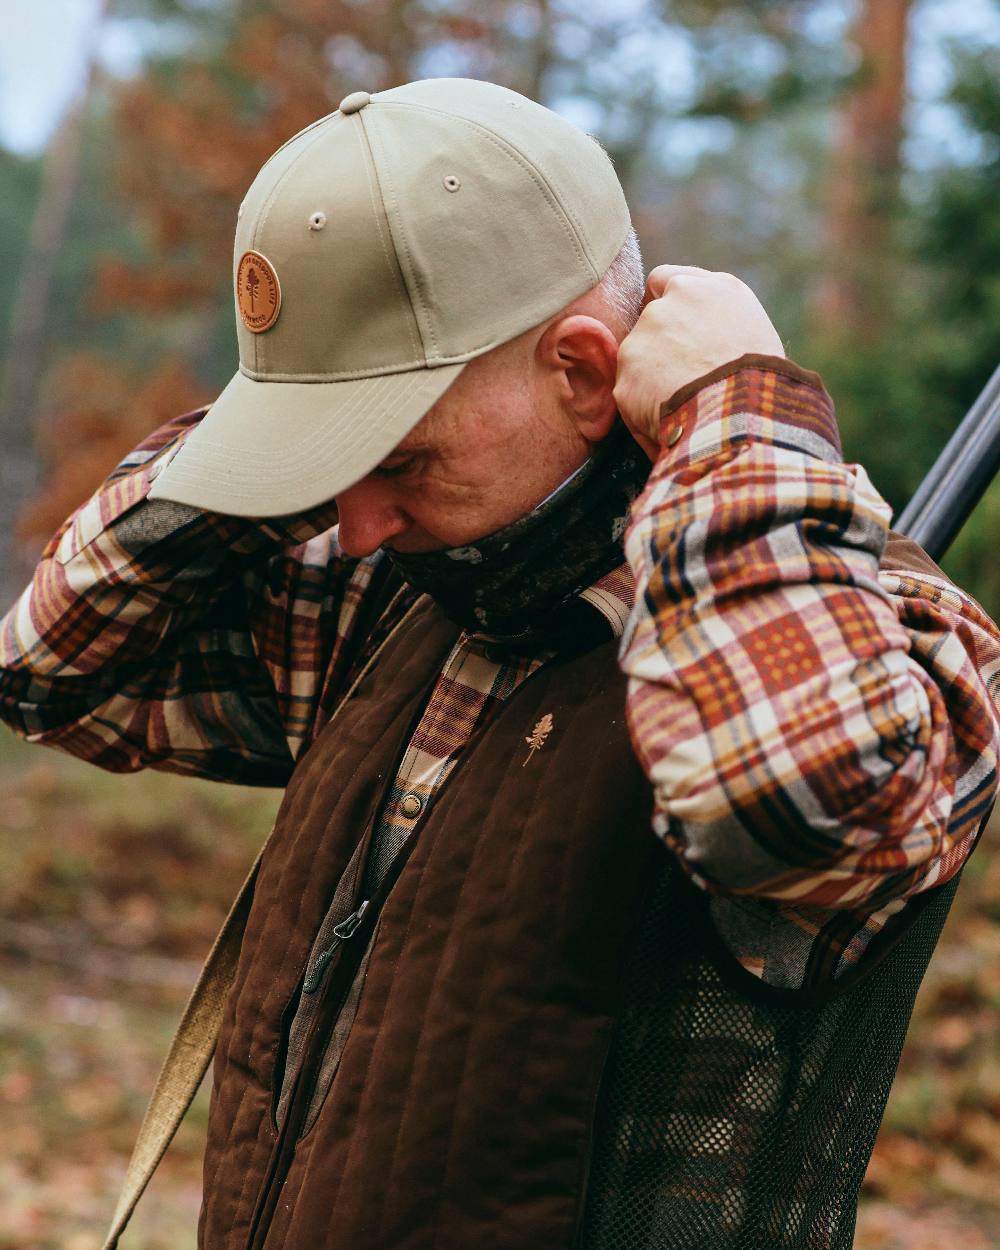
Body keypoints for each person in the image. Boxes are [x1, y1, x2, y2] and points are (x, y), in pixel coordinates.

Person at [2, 77, 999, 1250]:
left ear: (583, 371)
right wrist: (281, 433)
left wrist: (737, 421)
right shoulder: (398, 590)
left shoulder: (882, 637)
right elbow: (51, 664)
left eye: (399, 456)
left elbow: (793, 801)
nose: (354, 519)